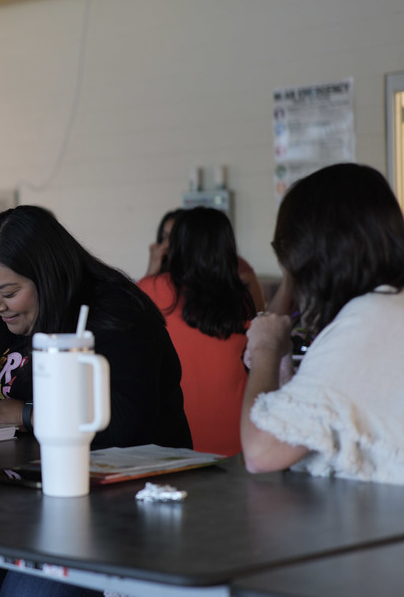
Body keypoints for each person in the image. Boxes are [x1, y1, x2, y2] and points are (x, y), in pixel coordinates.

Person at [0, 205, 191, 597]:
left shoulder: (114, 314)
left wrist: (29, 413)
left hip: (112, 504)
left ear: (47, 275)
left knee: (30, 590)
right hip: (19, 499)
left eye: (9, 292)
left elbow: (130, 421)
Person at [241, 163, 404, 482]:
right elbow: (303, 417)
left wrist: (265, 349)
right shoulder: (387, 306)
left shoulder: (369, 322)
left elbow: (262, 452)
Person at [138, 207, 255, 456]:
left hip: (178, 444)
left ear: (177, 247)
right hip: (240, 439)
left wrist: (153, 266)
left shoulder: (152, 288)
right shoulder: (241, 297)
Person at [146, 207, 266, 312]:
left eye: (175, 239)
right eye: (165, 237)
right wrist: (153, 267)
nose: (168, 245)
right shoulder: (164, 274)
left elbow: (257, 313)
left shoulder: (234, 269)